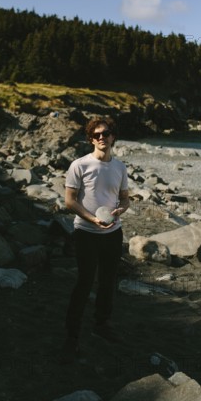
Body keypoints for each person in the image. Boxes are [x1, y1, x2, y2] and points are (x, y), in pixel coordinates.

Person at [61, 117, 130, 363]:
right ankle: (72, 336)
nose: (102, 137)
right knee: (84, 281)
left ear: (113, 137)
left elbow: (124, 198)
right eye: (97, 134)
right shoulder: (79, 165)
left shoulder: (120, 167)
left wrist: (121, 210)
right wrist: (92, 219)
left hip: (113, 233)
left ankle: (101, 324)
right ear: (91, 138)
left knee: (108, 281)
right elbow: (70, 201)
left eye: (106, 133)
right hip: (86, 233)